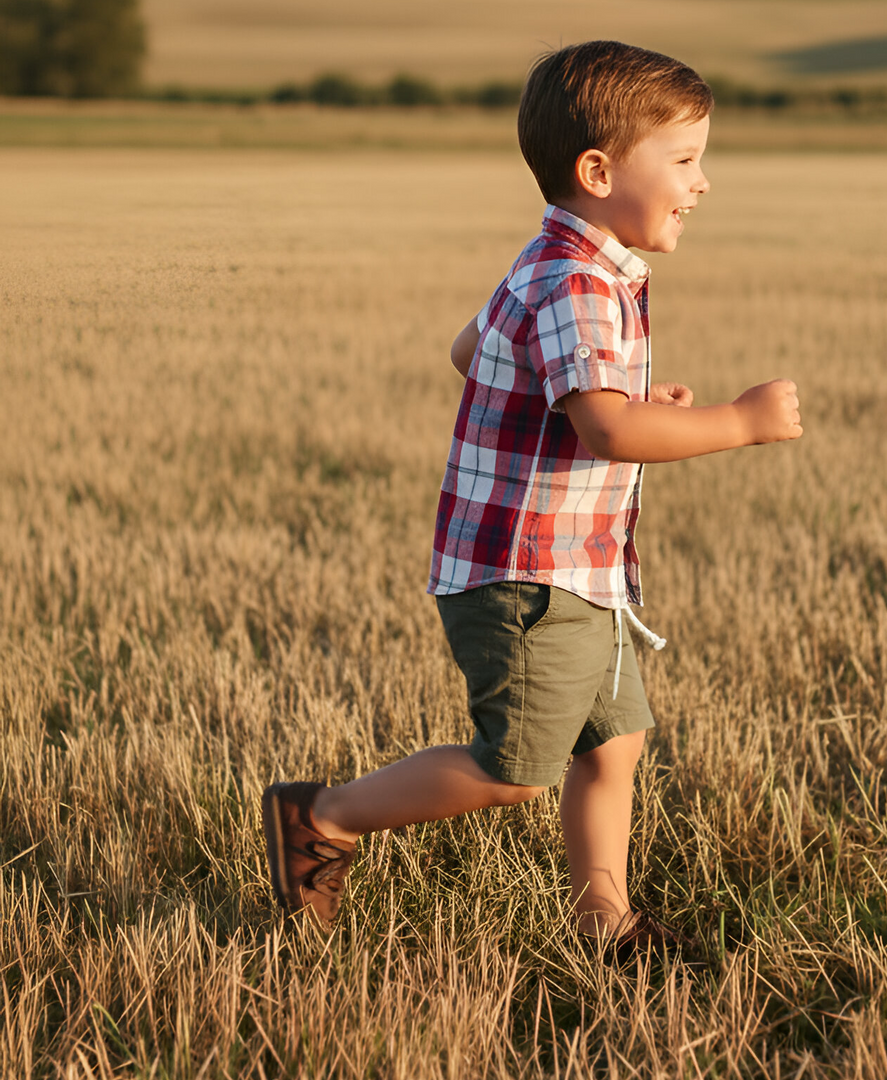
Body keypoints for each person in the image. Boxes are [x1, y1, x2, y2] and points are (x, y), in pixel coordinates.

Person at [261, 40, 802, 959]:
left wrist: (618, 400)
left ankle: (604, 921)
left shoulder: (559, 259)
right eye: (685, 159)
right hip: (525, 575)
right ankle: (325, 814)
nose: (703, 181)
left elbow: (474, 354)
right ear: (598, 171)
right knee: (515, 770)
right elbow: (609, 434)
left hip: (583, 571)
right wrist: (736, 421)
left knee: (613, 746)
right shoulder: (577, 280)